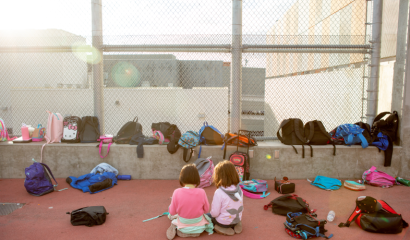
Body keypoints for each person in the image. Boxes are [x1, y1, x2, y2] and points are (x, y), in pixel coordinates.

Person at [167, 164, 213, 240]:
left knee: (171, 212)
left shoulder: (177, 192)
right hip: (199, 229)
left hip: (183, 227)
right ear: (197, 178)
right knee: (206, 217)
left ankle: (176, 227)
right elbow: (206, 210)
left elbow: (172, 212)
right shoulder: (202, 192)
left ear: (181, 178)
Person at [207, 160, 243, 235]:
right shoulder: (239, 189)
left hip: (223, 222)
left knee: (207, 216)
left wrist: (211, 215)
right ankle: (236, 225)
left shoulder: (219, 192)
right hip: (237, 219)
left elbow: (215, 213)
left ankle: (220, 228)